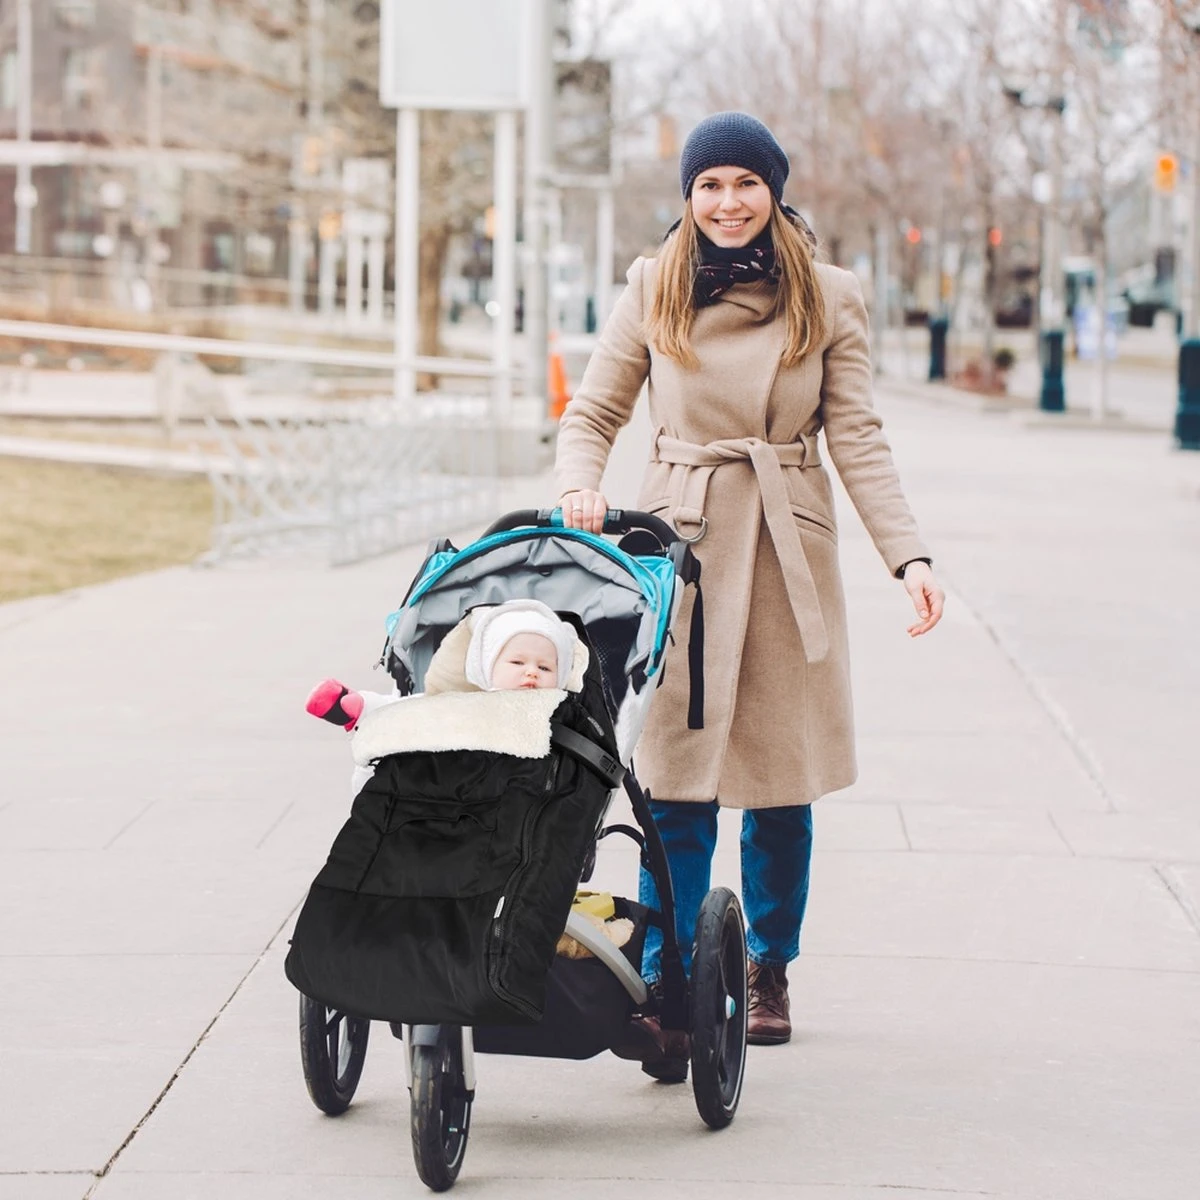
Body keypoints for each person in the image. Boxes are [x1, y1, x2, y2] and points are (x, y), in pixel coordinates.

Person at [553, 111, 945, 1051]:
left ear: (774, 190)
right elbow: (594, 411)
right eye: (709, 185)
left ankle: (768, 965)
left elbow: (857, 436)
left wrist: (909, 554)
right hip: (679, 546)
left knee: (780, 779)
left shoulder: (828, 294)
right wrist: (578, 486)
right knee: (674, 777)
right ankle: (666, 971)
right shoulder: (654, 283)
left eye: (745, 184)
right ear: (688, 195)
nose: (728, 203)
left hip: (784, 548)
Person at [306, 600, 580, 792]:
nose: (531, 673)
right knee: (417, 717)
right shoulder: (470, 699)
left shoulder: (560, 712)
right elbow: (423, 712)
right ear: (488, 668)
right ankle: (366, 711)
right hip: (448, 776)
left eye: (545, 668)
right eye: (517, 663)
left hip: (507, 791)